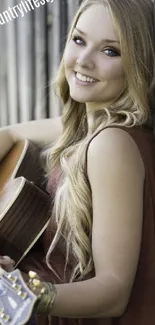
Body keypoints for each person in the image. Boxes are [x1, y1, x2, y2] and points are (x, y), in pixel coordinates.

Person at [0, 0, 155, 324]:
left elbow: (113, 291)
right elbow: (8, 133)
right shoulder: (88, 129)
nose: (84, 61)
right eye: (79, 40)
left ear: (138, 64)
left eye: (110, 51)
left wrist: (28, 294)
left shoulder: (111, 144)